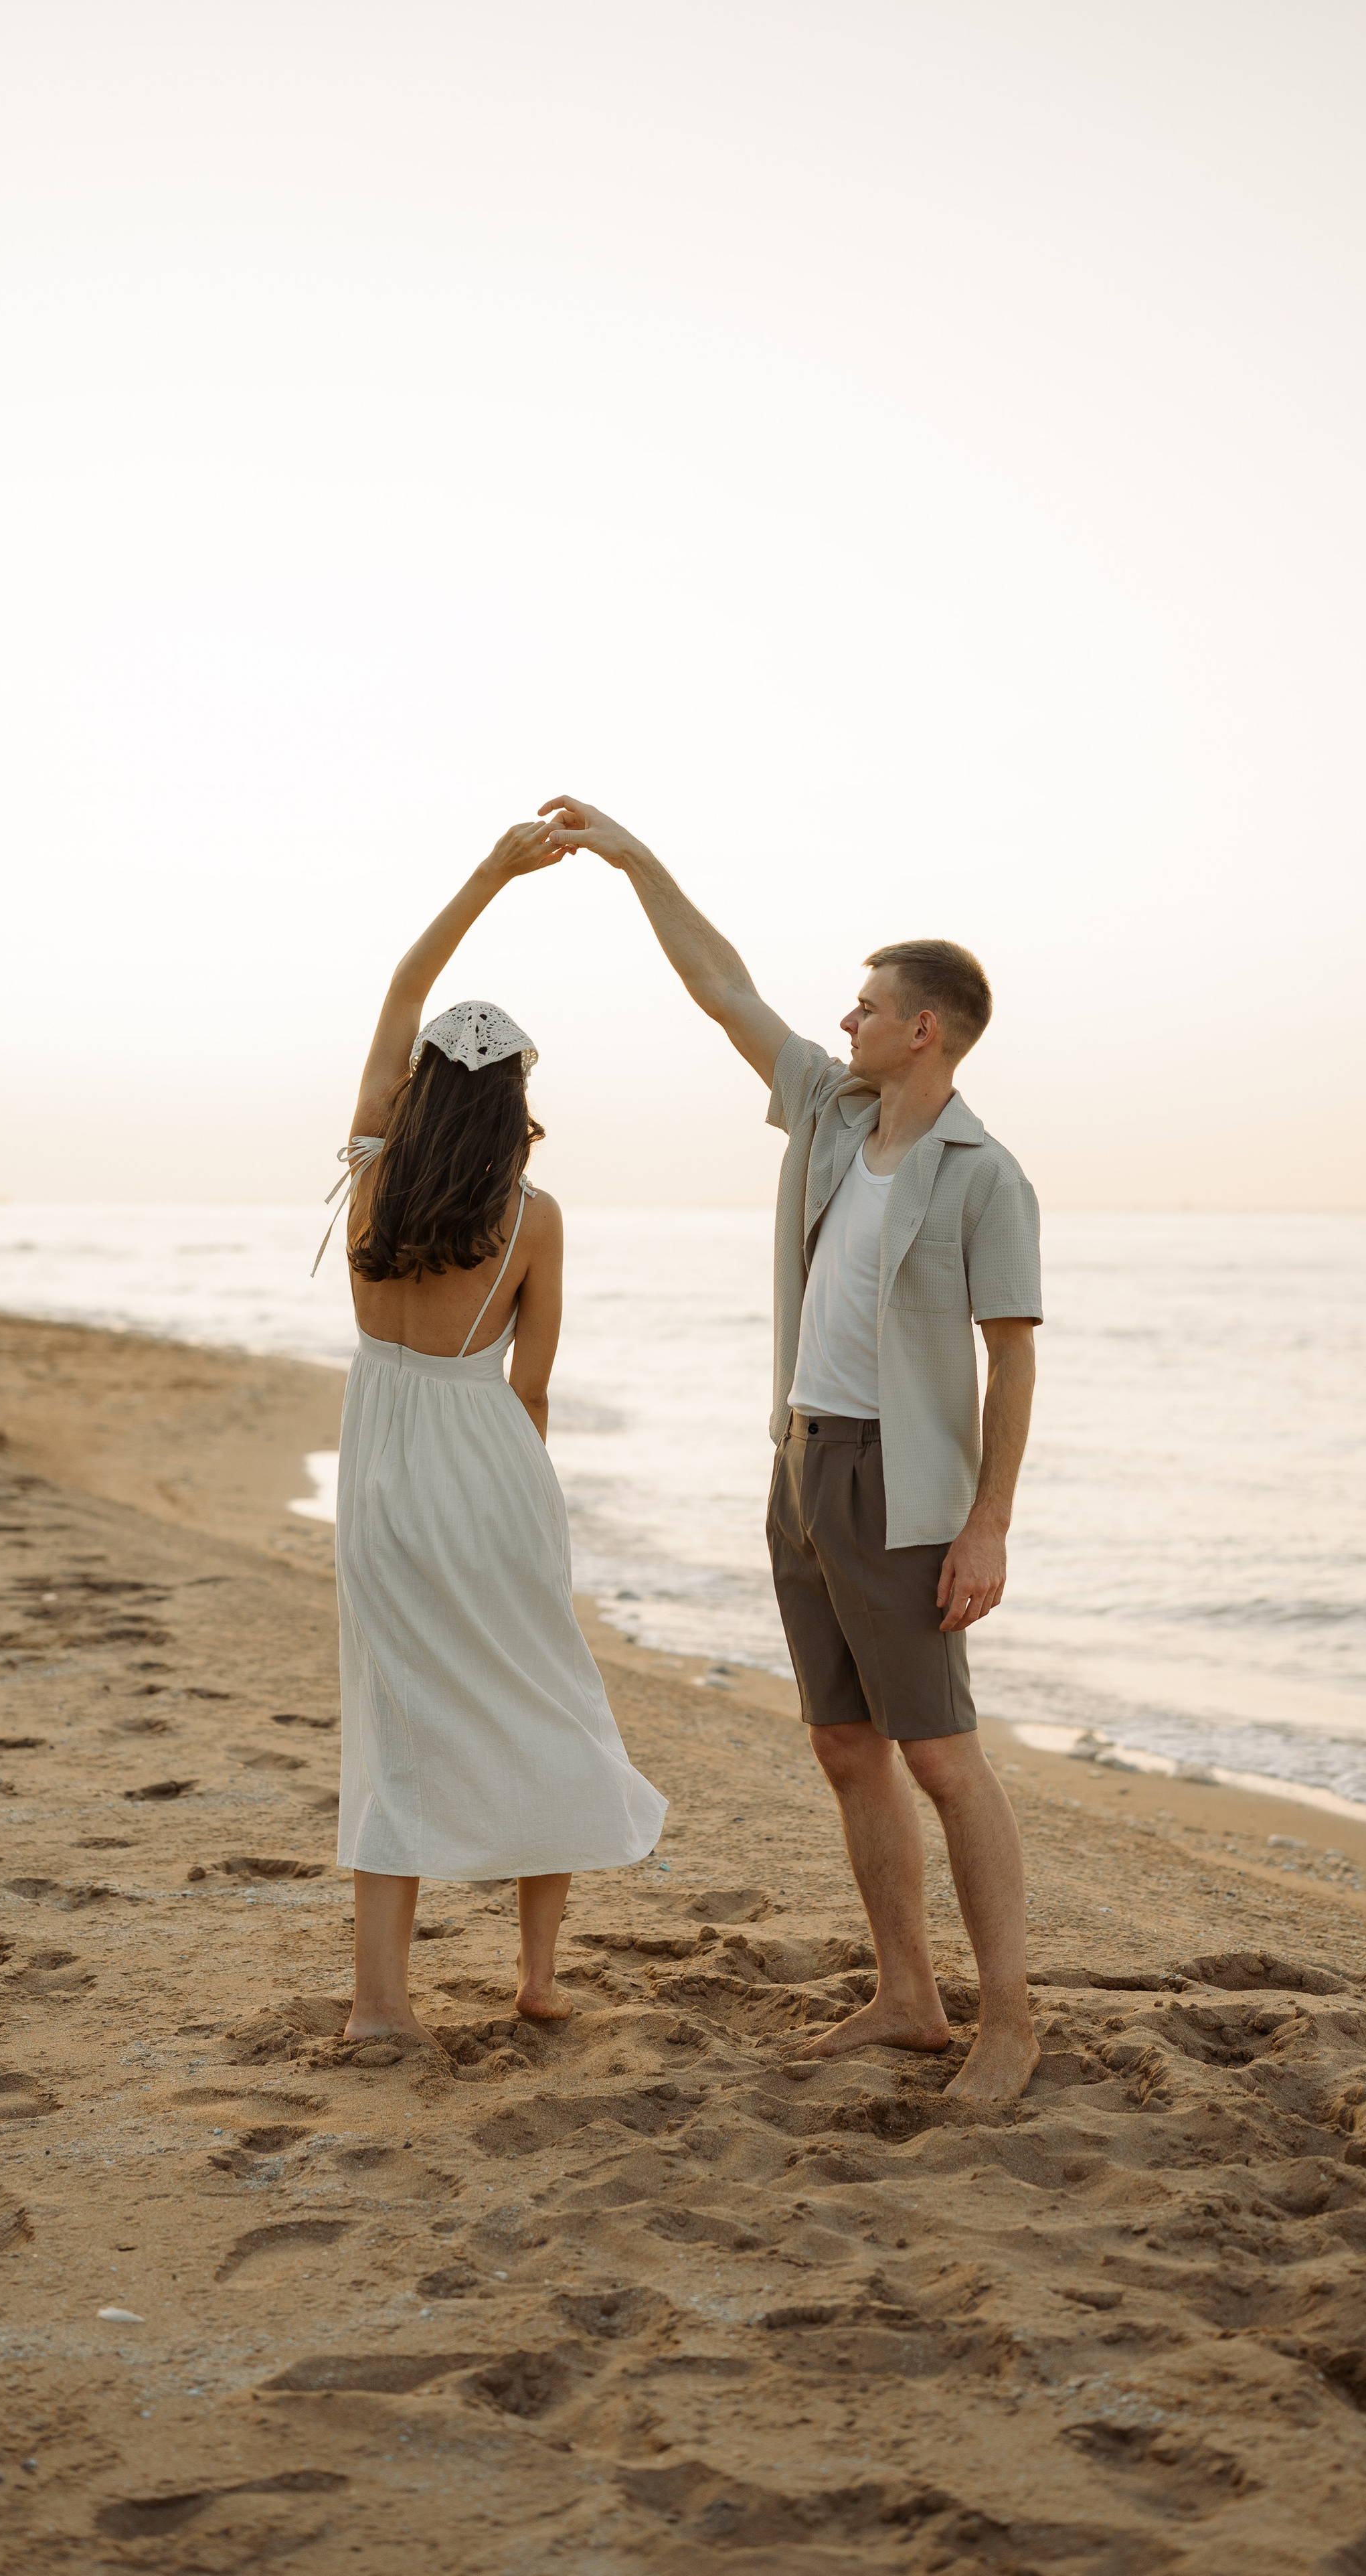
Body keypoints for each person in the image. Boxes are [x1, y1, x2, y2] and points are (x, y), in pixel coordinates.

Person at [538, 795, 1042, 2104]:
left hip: (906, 1484)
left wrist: (985, 1525)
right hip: (801, 1465)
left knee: (940, 1751)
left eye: (866, 1006)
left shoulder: (986, 1177)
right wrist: (632, 856)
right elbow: (721, 987)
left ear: (922, 1027)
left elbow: (1013, 1359)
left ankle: (1011, 2016)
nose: (843, 1022)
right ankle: (906, 1996)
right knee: (840, 1745)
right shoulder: (826, 1112)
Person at [320, 818, 667, 2043]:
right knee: (543, 1697)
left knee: (394, 1723)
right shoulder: (537, 1216)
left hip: (382, 1479)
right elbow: (533, 1388)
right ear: (517, 1095)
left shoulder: (369, 1173)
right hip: (490, 1468)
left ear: (419, 1082)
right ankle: (536, 1978)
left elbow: (404, 985)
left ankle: (380, 2007)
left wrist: (491, 875)